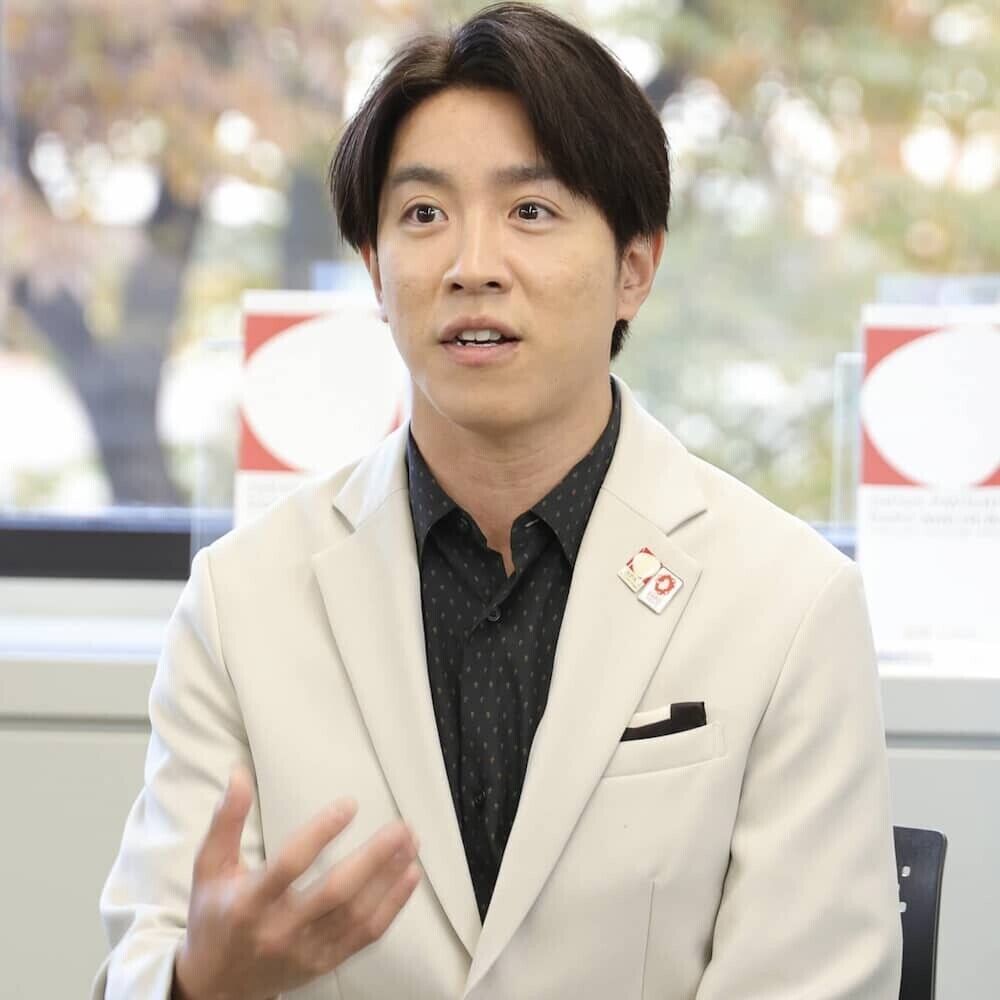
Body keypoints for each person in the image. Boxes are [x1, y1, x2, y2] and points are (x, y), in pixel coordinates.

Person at [93, 3, 903, 998]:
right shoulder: (239, 602)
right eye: (423, 215)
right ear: (374, 273)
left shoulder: (788, 602)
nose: (471, 266)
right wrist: (193, 984)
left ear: (634, 269)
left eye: (531, 211)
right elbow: (147, 953)